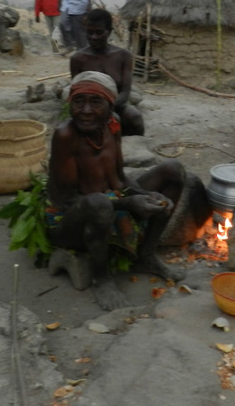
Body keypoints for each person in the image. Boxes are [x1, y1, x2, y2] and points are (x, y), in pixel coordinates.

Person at [46, 71, 185, 310]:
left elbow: (119, 180)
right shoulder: (65, 135)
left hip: (107, 200)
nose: (86, 110)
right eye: (79, 102)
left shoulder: (113, 126)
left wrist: (146, 196)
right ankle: (102, 279)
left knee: (174, 170)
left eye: (96, 102)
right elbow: (68, 200)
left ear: (110, 107)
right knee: (99, 203)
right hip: (68, 221)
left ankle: (146, 256)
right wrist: (129, 204)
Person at [70, 9, 145, 136]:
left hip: (116, 104)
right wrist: (95, 109)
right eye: (90, 32)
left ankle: (134, 145)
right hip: (88, 110)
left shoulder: (123, 56)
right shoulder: (78, 59)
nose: (94, 37)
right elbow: (76, 94)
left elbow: (125, 92)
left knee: (134, 116)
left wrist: (107, 109)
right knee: (114, 119)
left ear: (109, 32)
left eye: (99, 32)